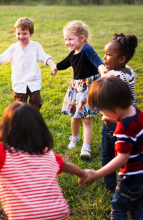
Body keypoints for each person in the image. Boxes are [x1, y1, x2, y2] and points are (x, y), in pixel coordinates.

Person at [79, 76, 143, 219]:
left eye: (102, 110)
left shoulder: (122, 129)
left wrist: (97, 174)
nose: (101, 114)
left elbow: (122, 157)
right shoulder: (136, 111)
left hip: (131, 179)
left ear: (115, 109)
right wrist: (115, 119)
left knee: (118, 208)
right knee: (138, 209)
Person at [50, 20, 107, 159]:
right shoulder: (73, 53)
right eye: (65, 39)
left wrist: (102, 69)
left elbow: (96, 60)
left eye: (70, 39)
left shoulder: (86, 49)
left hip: (88, 88)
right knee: (74, 117)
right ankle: (74, 137)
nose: (67, 42)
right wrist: (55, 67)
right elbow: (65, 62)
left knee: (87, 119)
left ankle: (86, 148)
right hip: (76, 88)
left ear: (82, 38)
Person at [0, 17, 56, 110]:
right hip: (19, 82)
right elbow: (0, 58)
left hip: (34, 81)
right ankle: (21, 122)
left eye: (24, 34)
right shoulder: (13, 48)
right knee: (20, 106)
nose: (21, 36)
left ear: (31, 33)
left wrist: (53, 66)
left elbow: (45, 57)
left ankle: (33, 119)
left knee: (36, 102)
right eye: (18, 34)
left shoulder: (36, 46)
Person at [100, 33, 138, 192]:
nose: (104, 57)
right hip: (130, 119)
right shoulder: (128, 71)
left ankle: (110, 185)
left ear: (121, 59)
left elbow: (103, 81)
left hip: (112, 121)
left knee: (108, 155)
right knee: (126, 153)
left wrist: (102, 70)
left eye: (108, 55)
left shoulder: (113, 75)